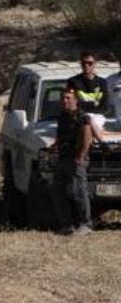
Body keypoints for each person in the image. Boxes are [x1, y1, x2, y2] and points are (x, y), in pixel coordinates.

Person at [52, 87, 94, 235]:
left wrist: (80, 157)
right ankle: (66, 225)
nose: (65, 101)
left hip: (76, 159)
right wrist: (54, 147)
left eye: (68, 98)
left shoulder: (82, 117)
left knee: (79, 191)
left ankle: (86, 224)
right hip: (63, 157)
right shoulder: (62, 116)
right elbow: (60, 134)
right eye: (63, 98)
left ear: (75, 100)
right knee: (59, 191)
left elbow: (87, 138)